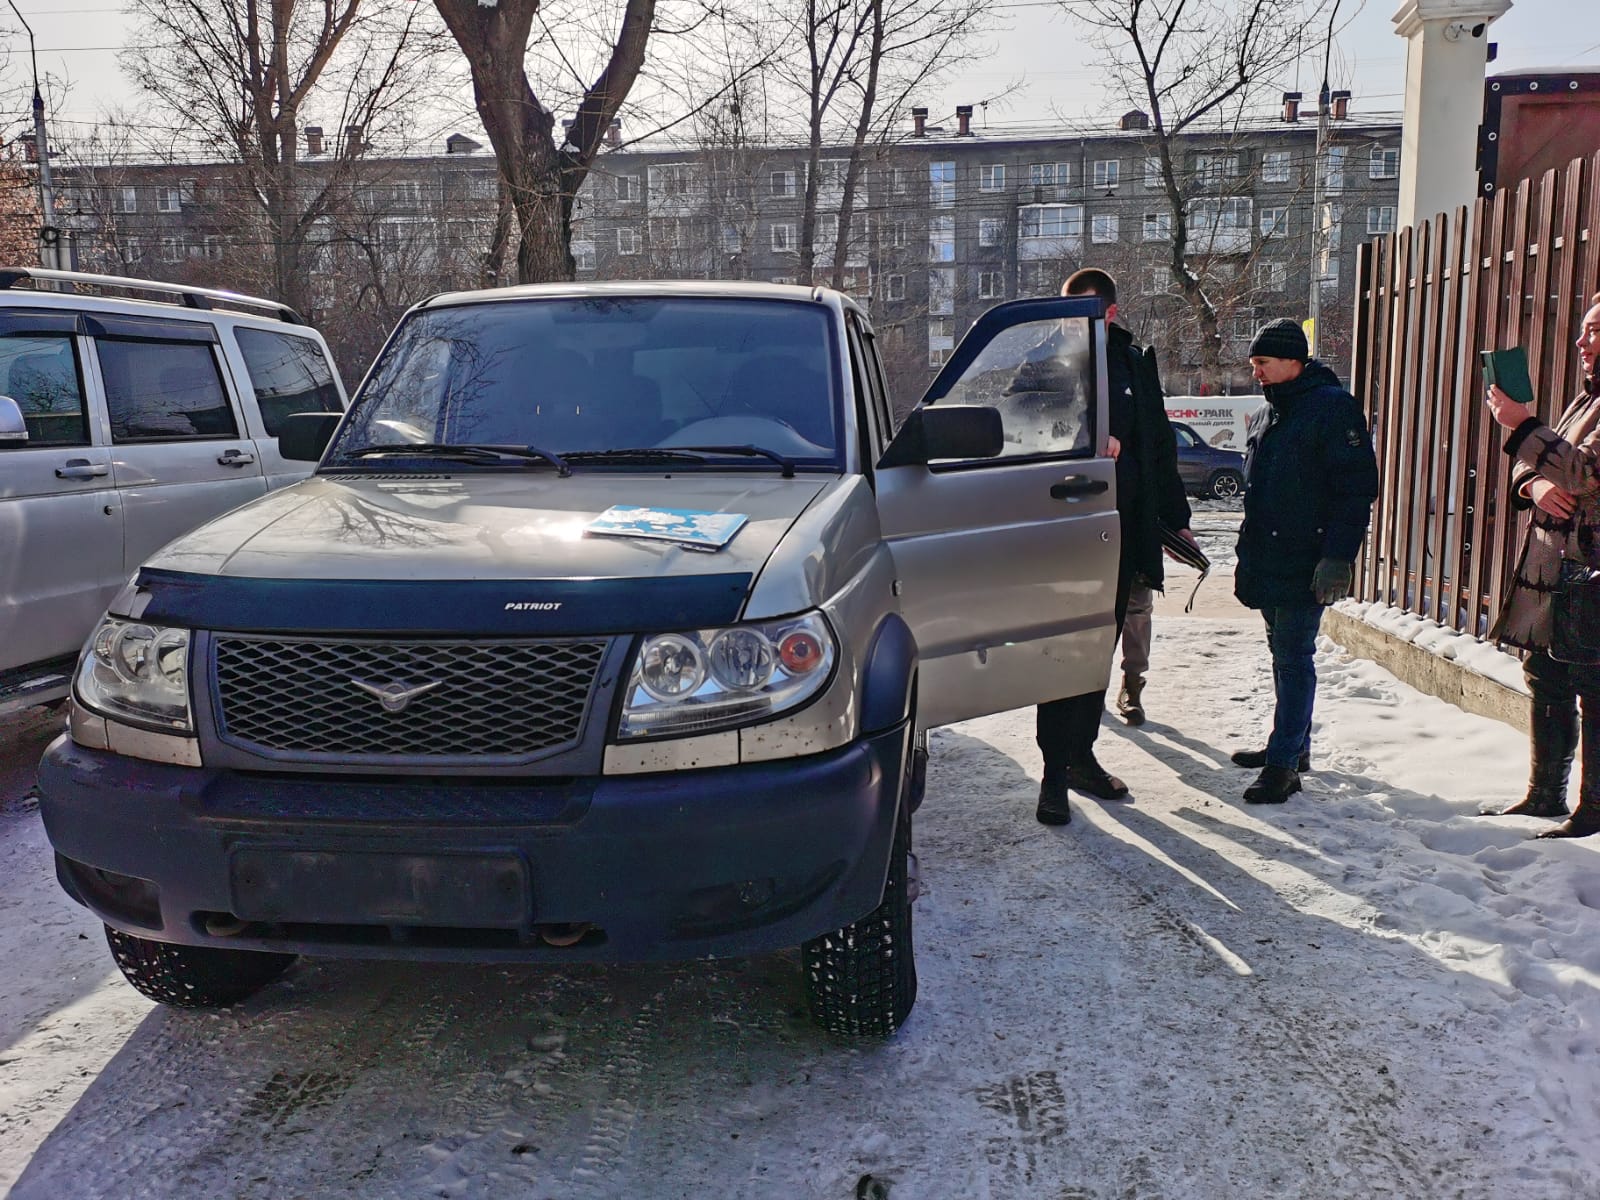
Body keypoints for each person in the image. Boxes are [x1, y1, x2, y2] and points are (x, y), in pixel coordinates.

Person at [1034, 269, 1194, 825]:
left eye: (1086, 312)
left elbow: (1158, 445)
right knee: (1061, 655)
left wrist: (1177, 520)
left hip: (1121, 530)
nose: (1074, 324)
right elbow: (1018, 433)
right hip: (1060, 536)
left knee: (1097, 651)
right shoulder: (1042, 364)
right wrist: (1076, 442)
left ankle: (1081, 758)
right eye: (1067, 313)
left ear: (1110, 313)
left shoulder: (1133, 363)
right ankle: (1053, 777)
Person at [1230, 318, 1379, 804]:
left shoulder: (1332, 409)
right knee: (1282, 657)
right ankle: (1293, 748)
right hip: (1270, 556)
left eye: (1264, 363)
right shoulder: (1272, 411)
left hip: (1307, 559)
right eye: (1254, 364)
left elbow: (1355, 488)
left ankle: (1282, 766)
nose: (1257, 373)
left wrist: (1338, 556)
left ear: (1295, 361)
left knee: (1294, 659)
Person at [1482, 294, 1600, 837]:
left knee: (1593, 689)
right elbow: (1547, 468)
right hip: (1560, 569)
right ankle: (1544, 795)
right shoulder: (1585, 401)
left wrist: (1524, 423)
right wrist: (1533, 483)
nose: (1581, 343)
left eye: (1593, 332)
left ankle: (1594, 810)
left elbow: (1582, 473)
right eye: (1582, 331)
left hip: (1593, 571)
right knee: (1545, 674)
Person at [1116, 584, 1155, 724]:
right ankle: (1091, 691)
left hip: (1138, 568)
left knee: (1138, 611)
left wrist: (1198, 562)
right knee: (1095, 615)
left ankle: (1131, 688)